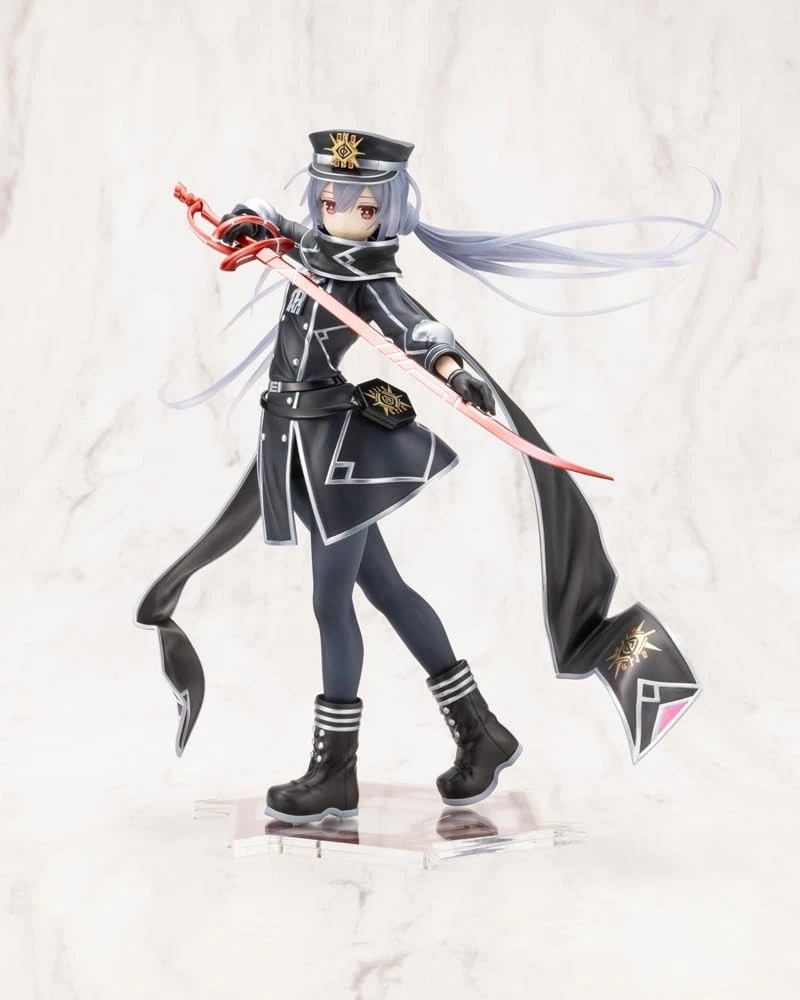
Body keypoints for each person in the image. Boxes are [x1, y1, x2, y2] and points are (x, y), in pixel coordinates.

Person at [137, 129, 716, 824]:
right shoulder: (311, 252)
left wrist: (451, 369)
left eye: (358, 206)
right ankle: (480, 731)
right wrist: (251, 221)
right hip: (297, 445)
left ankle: (336, 770)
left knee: (330, 603)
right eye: (328, 200)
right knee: (386, 589)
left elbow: (414, 327)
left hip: (336, 458)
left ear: (384, 212)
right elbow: (280, 228)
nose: (338, 214)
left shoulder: (369, 280)